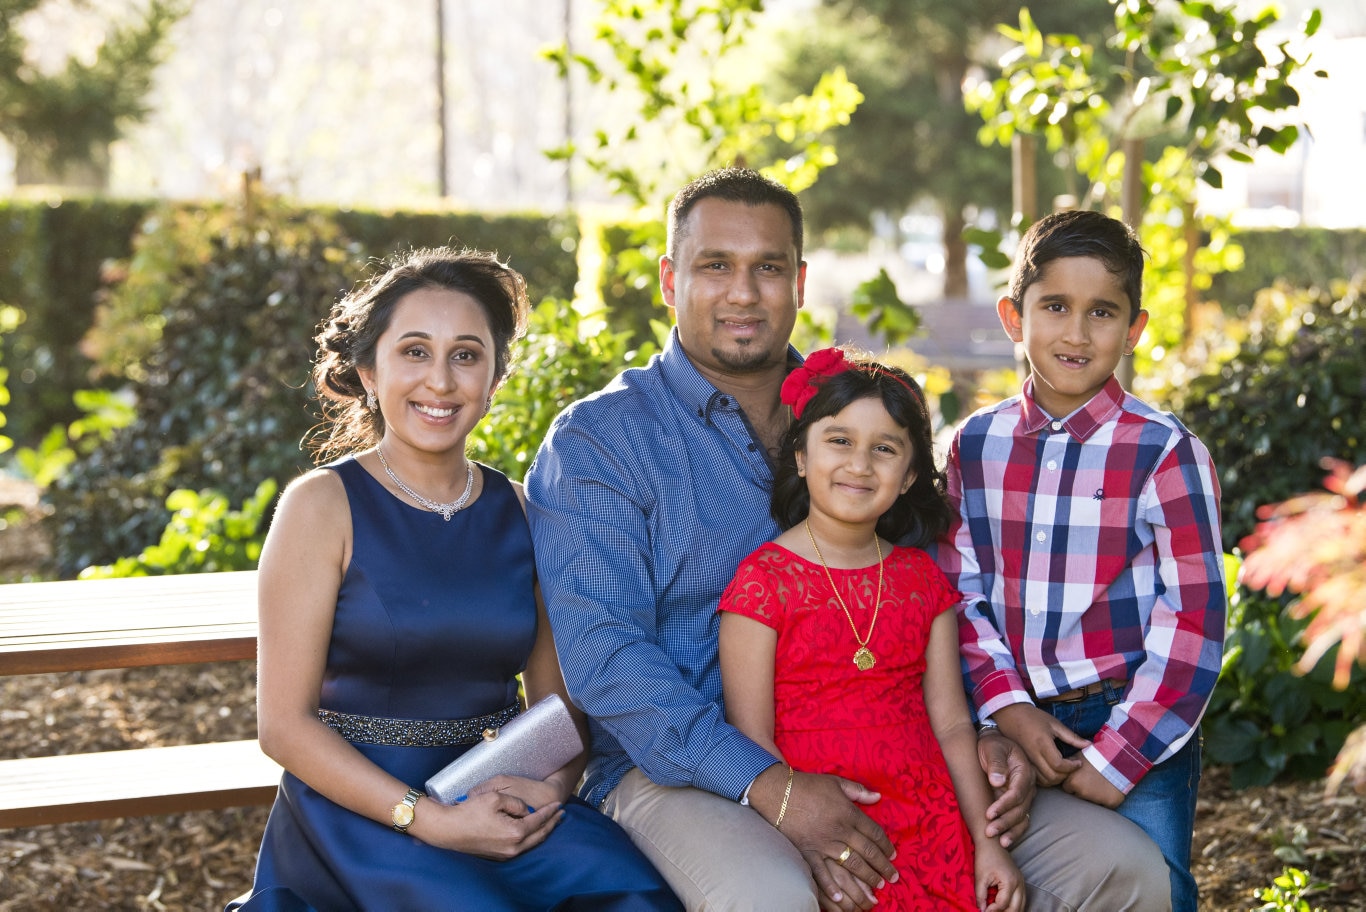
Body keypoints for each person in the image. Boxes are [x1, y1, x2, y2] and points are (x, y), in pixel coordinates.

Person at [526, 167, 1170, 912]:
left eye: (768, 268)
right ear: (670, 281)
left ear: (799, 282)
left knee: (1120, 867)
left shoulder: (861, 417)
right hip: (685, 772)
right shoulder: (603, 441)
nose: (743, 292)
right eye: (715, 267)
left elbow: (924, 592)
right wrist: (772, 787)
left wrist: (981, 732)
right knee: (770, 899)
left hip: (900, 753)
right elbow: (608, 660)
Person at [229, 247, 681, 911]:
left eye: (466, 355)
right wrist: (431, 820)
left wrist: (552, 790)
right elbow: (284, 727)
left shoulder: (524, 510)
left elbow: (558, 710)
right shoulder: (320, 506)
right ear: (368, 370)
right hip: (359, 820)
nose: (440, 381)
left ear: (495, 376)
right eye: (414, 351)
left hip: (495, 798)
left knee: (636, 895)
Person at [935, 208, 1226, 912]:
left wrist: (1119, 755)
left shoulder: (1163, 450)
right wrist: (1004, 708)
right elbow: (957, 593)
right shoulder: (975, 445)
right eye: (1055, 306)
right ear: (1013, 315)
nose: (1075, 332)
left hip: (1133, 714)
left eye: (1101, 312)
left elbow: (1195, 617)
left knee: (1153, 889)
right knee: (1021, 888)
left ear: (1134, 329)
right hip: (1013, 714)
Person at [718, 348, 1025, 912]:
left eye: (884, 449)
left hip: (930, 820)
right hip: (827, 825)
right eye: (839, 441)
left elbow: (954, 724)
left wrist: (988, 844)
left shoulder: (921, 580)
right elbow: (753, 742)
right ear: (802, 457)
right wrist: (801, 843)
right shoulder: (763, 583)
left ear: (909, 476)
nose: (860, 464)